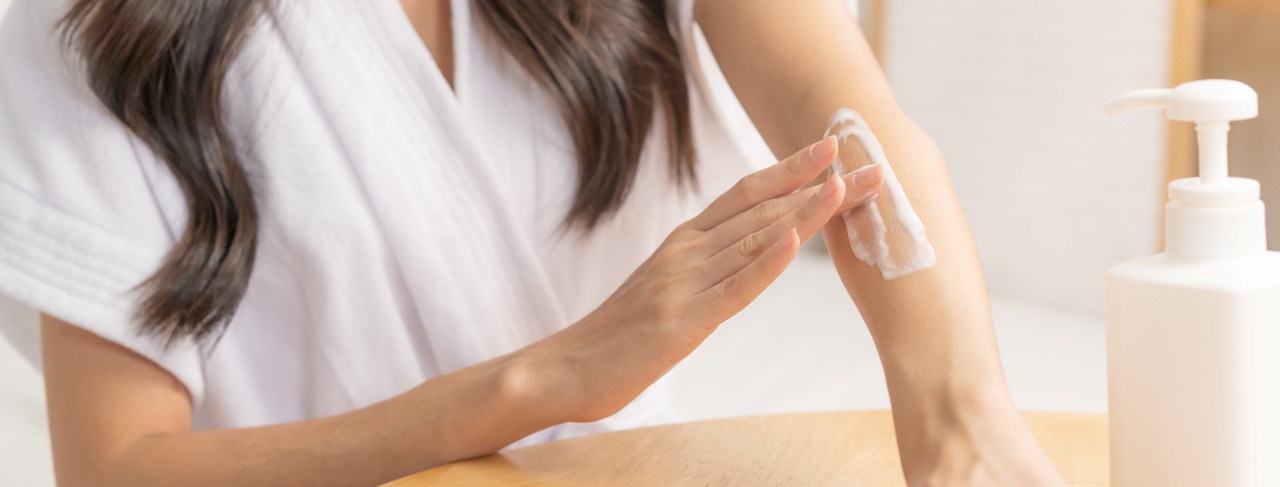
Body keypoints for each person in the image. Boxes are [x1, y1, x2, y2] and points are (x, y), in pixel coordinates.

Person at [0, 0, 1066, 485]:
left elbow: (842, 117)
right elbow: (118, 469)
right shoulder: (95, 28)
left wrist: (959, 423)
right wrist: (540, 379)